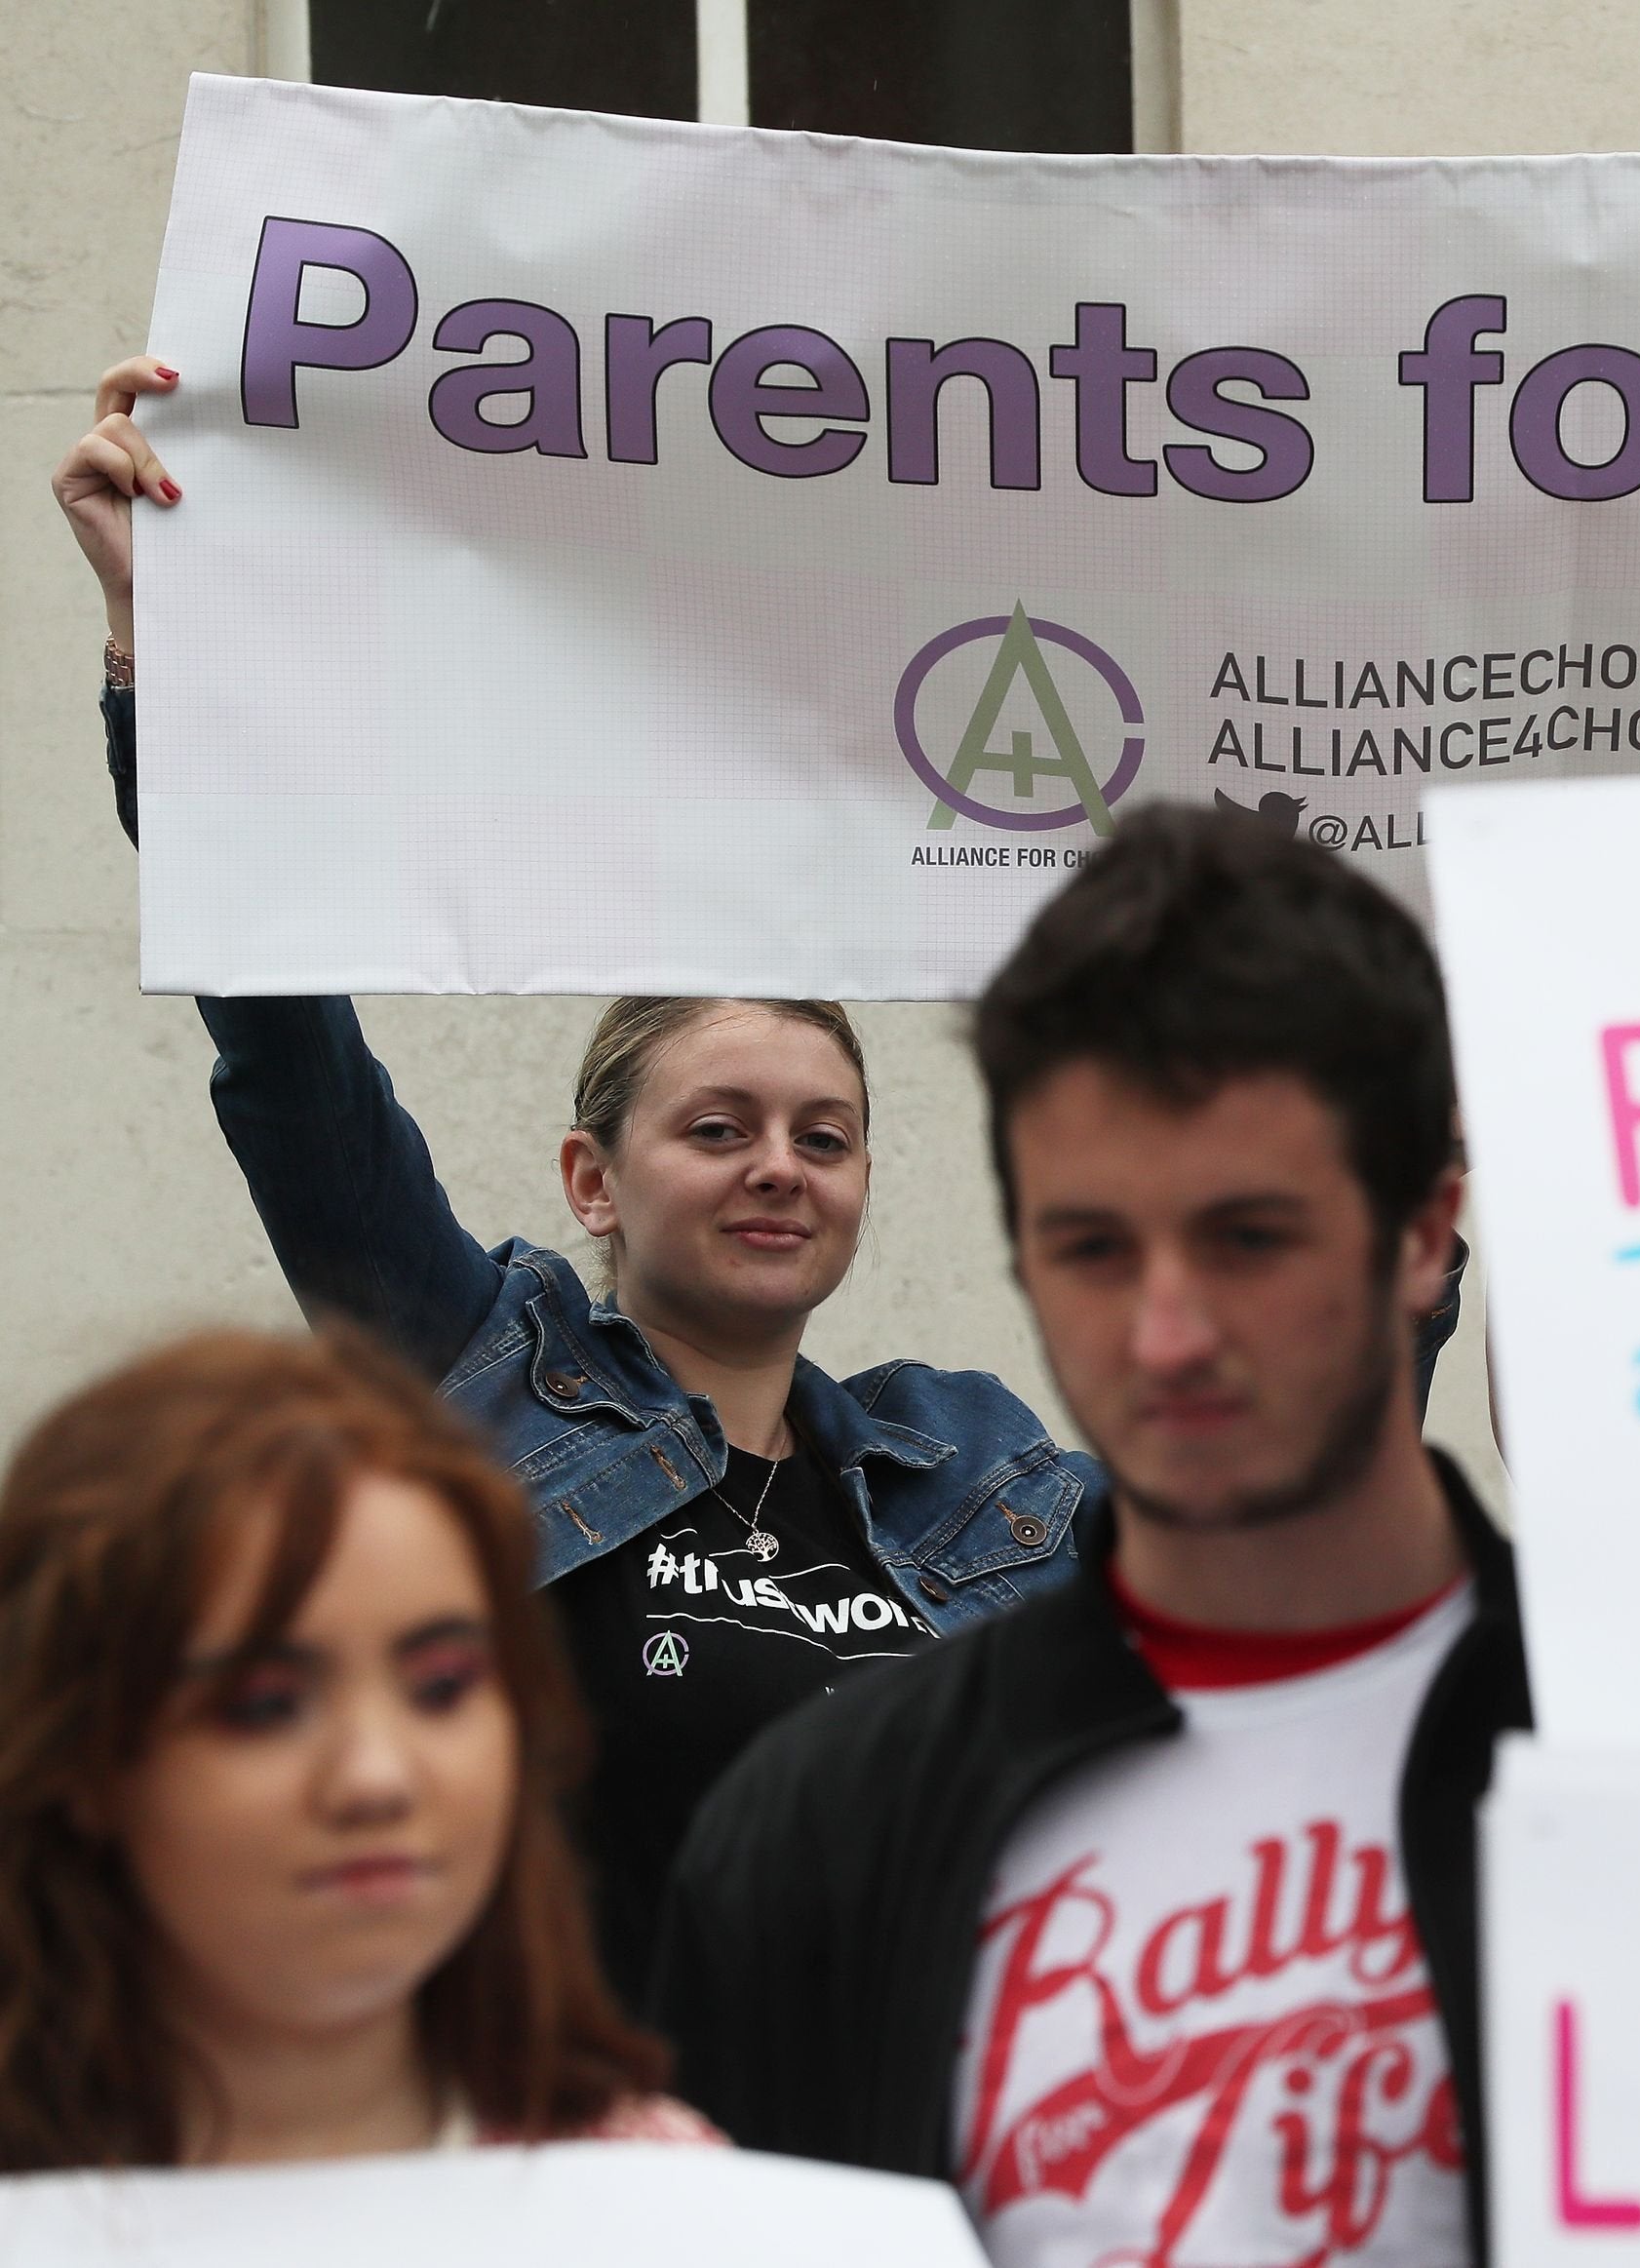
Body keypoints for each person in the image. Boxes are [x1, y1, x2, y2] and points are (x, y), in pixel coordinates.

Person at [49, 353, 1143, 2006]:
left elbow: (1257, 1541)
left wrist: (1404, 1209)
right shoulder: (478, 1366)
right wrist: (173, 658)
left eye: (822, 1135)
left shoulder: (982, 1466)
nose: (779, 1166)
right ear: (593, 1175)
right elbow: (289, 1060)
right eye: (718, 1129)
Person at [648, 803, 1520, 2268]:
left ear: (1426, 1234)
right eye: (1093, 1247)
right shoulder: (824, 1827)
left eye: (1251, 1236)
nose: (1166, 1333)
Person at [0, 1328, 713, 2169]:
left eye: (444, 1687)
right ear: (82, 1757)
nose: (378, 1777)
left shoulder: (661, 2197)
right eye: (264, 1705)